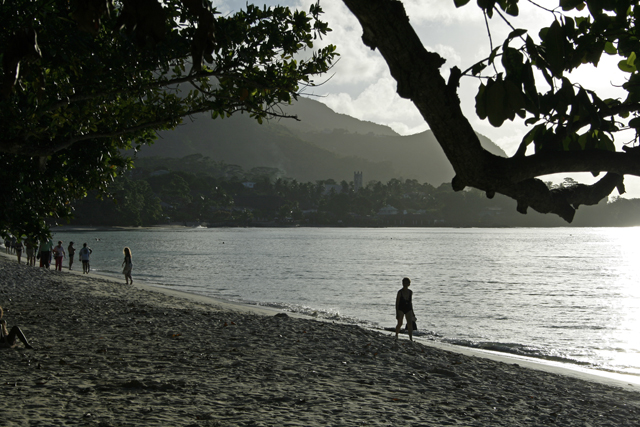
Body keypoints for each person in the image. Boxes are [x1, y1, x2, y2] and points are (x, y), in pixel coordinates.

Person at [395, 277, 416, 341]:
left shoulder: (410, 292)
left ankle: (410, 338)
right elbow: (397, 303)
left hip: (408, 308)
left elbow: (410, 302)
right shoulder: (400, 292)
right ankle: (396, 334)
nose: (406, 284)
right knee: (400, 323)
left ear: (409, 284)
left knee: (410, 324)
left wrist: (413, 313)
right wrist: (397, 313)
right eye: (404, 283)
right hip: (401, 308)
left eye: (407, 283)